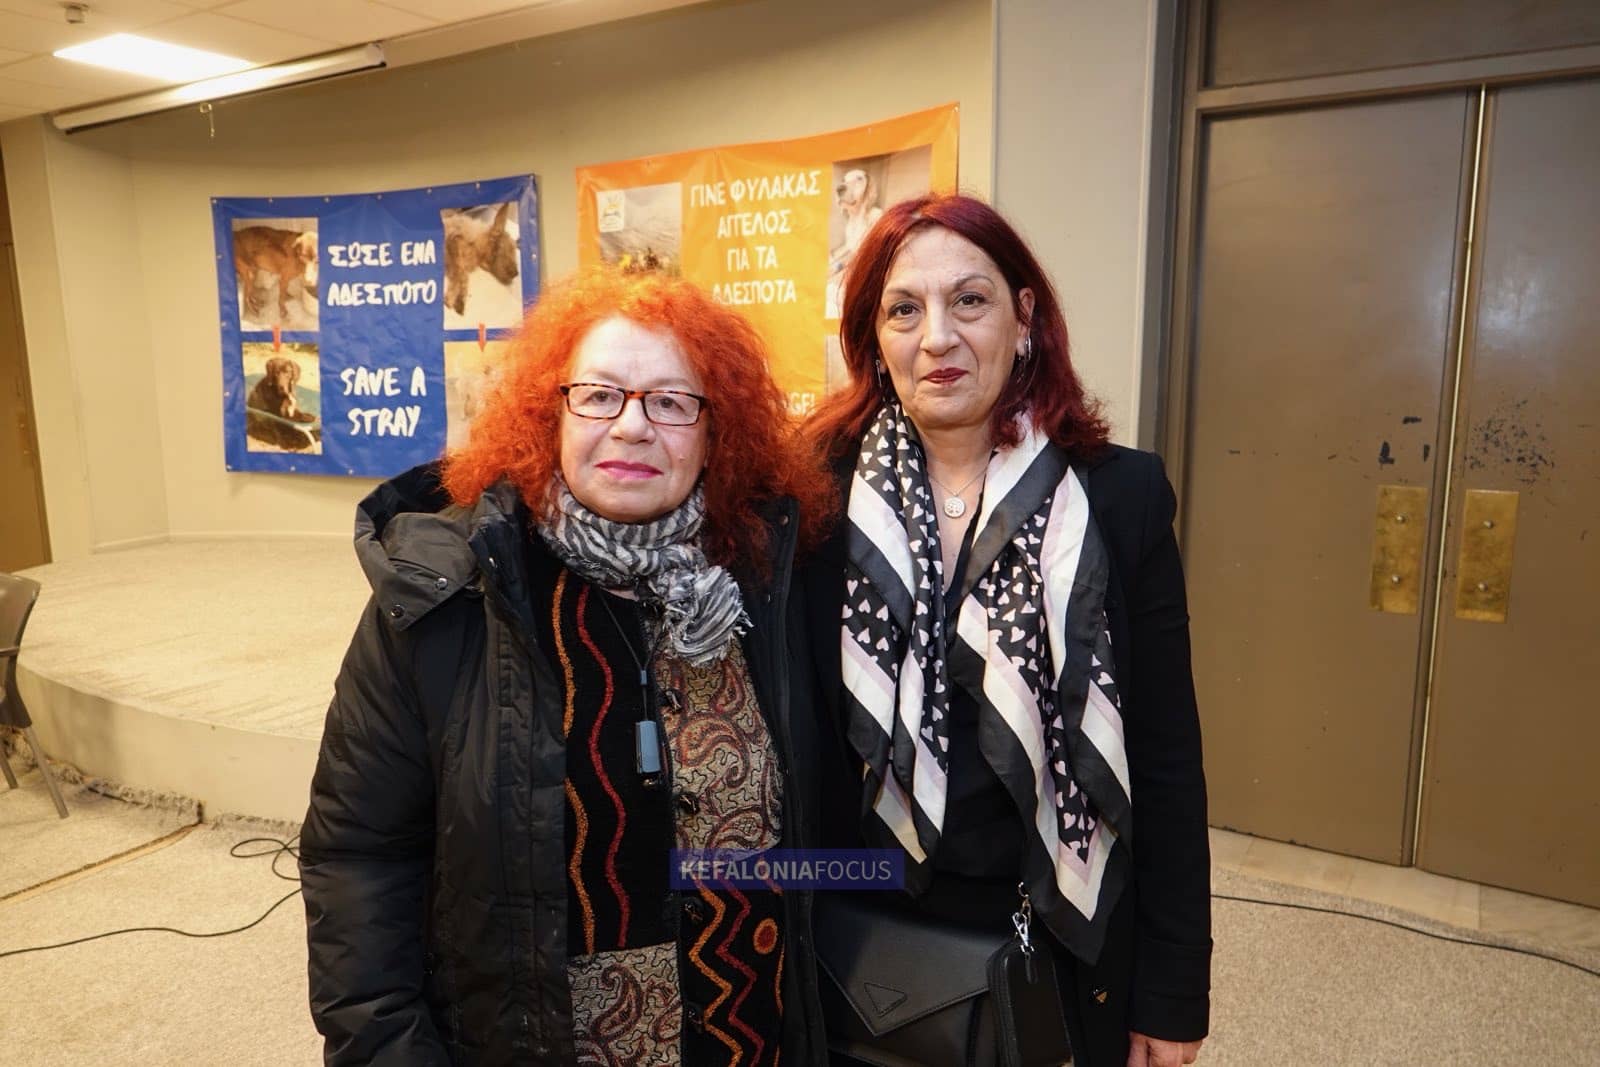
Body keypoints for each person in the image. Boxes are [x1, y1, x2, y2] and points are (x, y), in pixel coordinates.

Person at [299, 268, 835, 1065]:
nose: (632, 426)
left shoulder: (768, 582)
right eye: (599, 395)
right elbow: (359, 861)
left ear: (716, 432)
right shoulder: (450, 601)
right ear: (548, 414)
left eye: (671, 402)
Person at [801, 194, 1211, 1067]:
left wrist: (1173, 991)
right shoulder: (809, 504)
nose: (937, 337)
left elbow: (1167, 760)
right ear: (873, 339)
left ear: (1024, 318)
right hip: (858, 938)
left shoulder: (1120, 499)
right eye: (903, 310)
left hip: (1053, 931)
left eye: (970, 300)